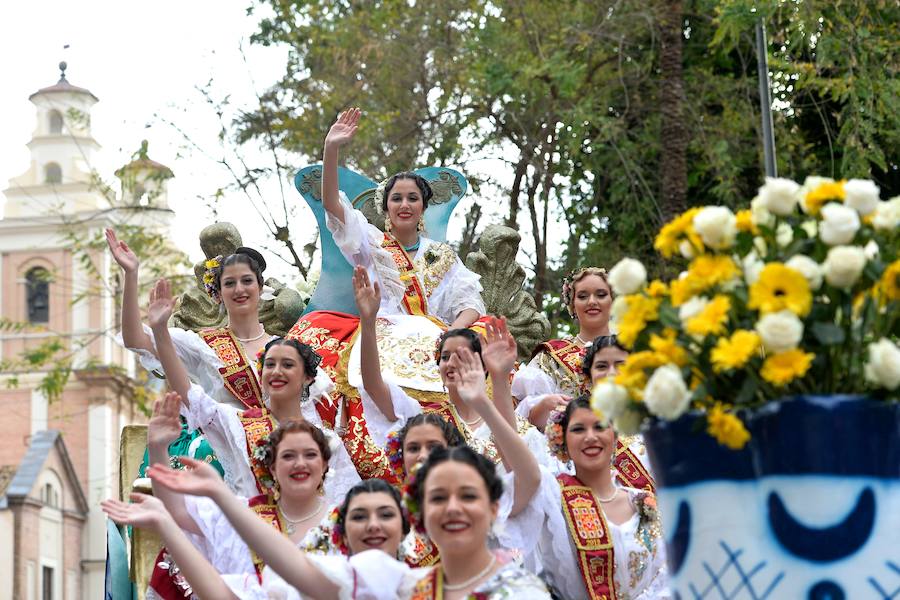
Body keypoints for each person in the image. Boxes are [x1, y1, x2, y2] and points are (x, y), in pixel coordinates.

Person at [147, 347, 549, 599]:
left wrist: (484, 398)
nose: (451, 509)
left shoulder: (516, 591)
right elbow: (291, 575)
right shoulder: (394, 576)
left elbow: (528, 480)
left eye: (466, 497)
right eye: (437, 499)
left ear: (494, 507)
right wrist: (216, 496)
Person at [287, 109, 487, 416]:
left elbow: (469, 300)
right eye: (397, 198)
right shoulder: (371, 243)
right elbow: (332, 204)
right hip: (379, 336)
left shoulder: (443, 254)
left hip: (436, 340)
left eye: (412, 198)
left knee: (486, 333)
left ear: (422, 207)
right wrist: (332, 148)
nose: (404, 205)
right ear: (386, 206)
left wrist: (453, 334)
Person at [146, 277, 360, 501]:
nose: (277, 371)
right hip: (254, 530)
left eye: (287, 365)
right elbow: (190, 395)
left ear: (308, 378)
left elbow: (347, 504)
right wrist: (160, 332)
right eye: (269, 365)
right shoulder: (239, 424)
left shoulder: (325, 440)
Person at [103, 462, 409, 600]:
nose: (373, 525)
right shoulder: (325, 580)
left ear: (406, 526)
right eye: (359, 516)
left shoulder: (426, 584)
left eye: (385, 515)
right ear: (339, 530)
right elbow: (221, 594)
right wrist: (166, 524)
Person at [353, 266, 553, 475]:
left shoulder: (517, 427)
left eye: (462, 355)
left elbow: (522, 478)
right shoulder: (425, 419)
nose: (452, 363)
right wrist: (368, 322)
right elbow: (373, 386)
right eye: (445, 357)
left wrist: (500, 377)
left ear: (484, 365)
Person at [511, 397, 669, 599]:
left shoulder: (643, 503)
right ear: (561, 441)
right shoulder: (554, 499)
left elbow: (665, 577)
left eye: (600, 427)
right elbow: (514, 462)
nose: (590, 436)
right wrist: (498, 382)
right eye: (578, 429)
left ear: (614, 437)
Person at [512, 267, 613, 429]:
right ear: (572, 305)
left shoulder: (635, 352)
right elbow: (524, 420)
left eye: (601, 295)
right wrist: (545, 405)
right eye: (582, 296)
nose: (592, 301)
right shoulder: (550, 357)